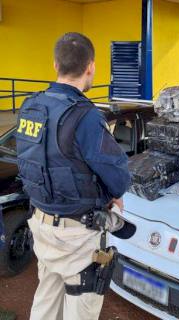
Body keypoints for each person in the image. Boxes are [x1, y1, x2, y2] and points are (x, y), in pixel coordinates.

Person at [15, 32, 131, 320]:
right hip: (77, 236)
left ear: (56, 64)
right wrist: (113, 194)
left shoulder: (31, 106)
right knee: (80, 310)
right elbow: (119, 180)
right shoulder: (86, 116)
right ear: (90, 66)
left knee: (45, 303)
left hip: (42, 226)